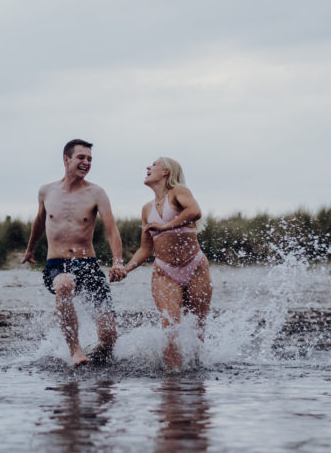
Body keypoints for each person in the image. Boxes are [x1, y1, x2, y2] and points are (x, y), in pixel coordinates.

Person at [22, 139, 127, 366]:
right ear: (66, 159)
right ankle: (75, 349)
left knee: (109, 337)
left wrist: (117, 262)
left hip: (87, 264)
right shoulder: (46, 191)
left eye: (89, 159)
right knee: (65, 284)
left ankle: (96, 362)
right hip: (57, 265)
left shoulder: (96, 193)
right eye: (81, 157)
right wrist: (30, 249)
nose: (86, 162)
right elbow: (39, 221)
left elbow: (111, 230)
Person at [123, 157, 212, 368]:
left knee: (197, 327)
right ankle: (173, 379)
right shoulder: (146, 209)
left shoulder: (179, 192)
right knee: (171, 325)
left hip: (196, 267)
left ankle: (196, 376)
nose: (147, 167)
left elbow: (194, 211)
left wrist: (166, 227)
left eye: (153, 164)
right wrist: (126, 269)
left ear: (166, 171)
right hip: (165, 271)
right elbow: (145, 249)